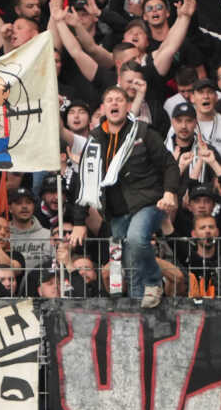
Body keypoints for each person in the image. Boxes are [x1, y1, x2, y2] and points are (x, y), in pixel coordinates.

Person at [74, 86, 179, 309]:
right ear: (103, 108)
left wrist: (169, 192)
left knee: (137, 239)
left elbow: (169, 164)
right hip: (116, 212)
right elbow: (84, 181)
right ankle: (136, 311)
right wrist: (78, 222)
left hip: (148, 203)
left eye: (119, 100)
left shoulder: (143, 132)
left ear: (127, 106)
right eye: (110, 100)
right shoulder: (94, 140)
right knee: (130, 266)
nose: (114, 103)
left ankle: (154, 283)